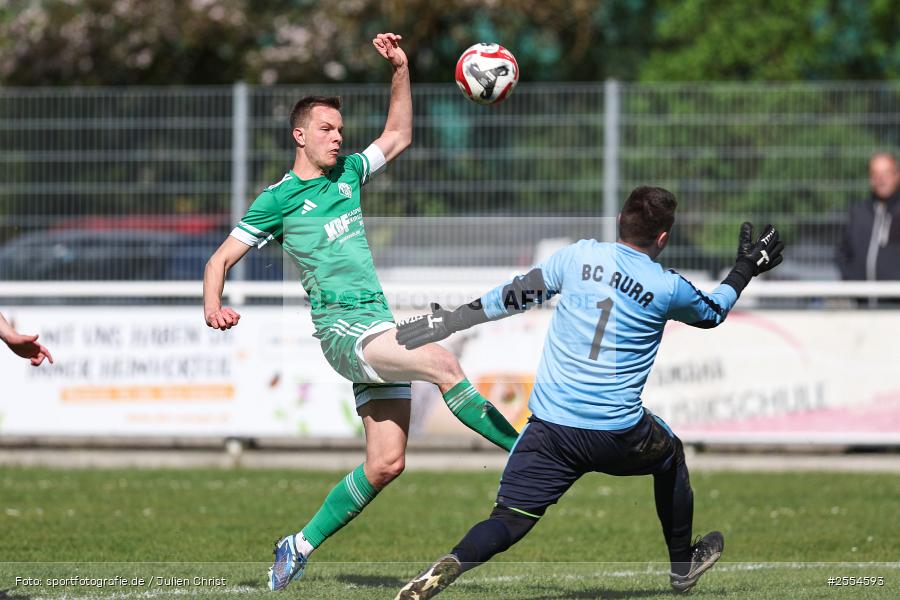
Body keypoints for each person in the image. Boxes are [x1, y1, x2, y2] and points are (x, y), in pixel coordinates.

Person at [200, 33, 519, 592]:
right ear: (299, 135)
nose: (337, 137)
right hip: (344, 331)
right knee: (443, 361)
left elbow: (398, 135)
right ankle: (531, 453)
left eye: (340, 130)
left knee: (386, 464)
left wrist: (400, 68)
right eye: (326, 129)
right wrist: (214, 305)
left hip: (378, 324)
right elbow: (219, 259)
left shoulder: (347, 174)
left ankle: (297, 545)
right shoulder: (276, 200)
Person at [393, 186, 785, 599]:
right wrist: (745, 268)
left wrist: (451, 321)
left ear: (620, 221)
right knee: (670, 455)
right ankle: (682, 563)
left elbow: (512, 296)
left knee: (508, 518)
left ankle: (454, 561)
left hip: (551, 428)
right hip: (617, 433)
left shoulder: (577, 256)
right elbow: (713, 311)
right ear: (663, 238)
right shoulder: (667, 286)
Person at [838, 152, 900, 281]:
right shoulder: (858, 212)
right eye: (875, 174)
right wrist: (850, 279)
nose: (881, 179)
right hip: (862, 297)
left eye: (886, 173)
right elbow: (843, 252)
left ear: (897, 175)